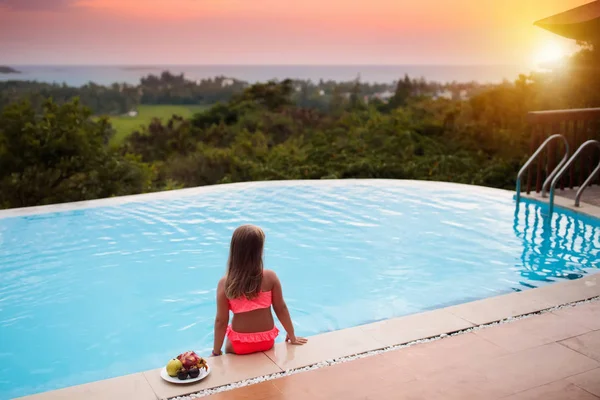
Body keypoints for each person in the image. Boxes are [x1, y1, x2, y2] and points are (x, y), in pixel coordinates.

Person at [212, 225, 307, 356]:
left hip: (239, 346)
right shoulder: (270, 277)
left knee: (229, 347)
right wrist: (292, 335)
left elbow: (221, 322)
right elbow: (281, 308)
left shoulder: (225, 283)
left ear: (234, 251)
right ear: (260, 252)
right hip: (266, 341)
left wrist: (216, 352)